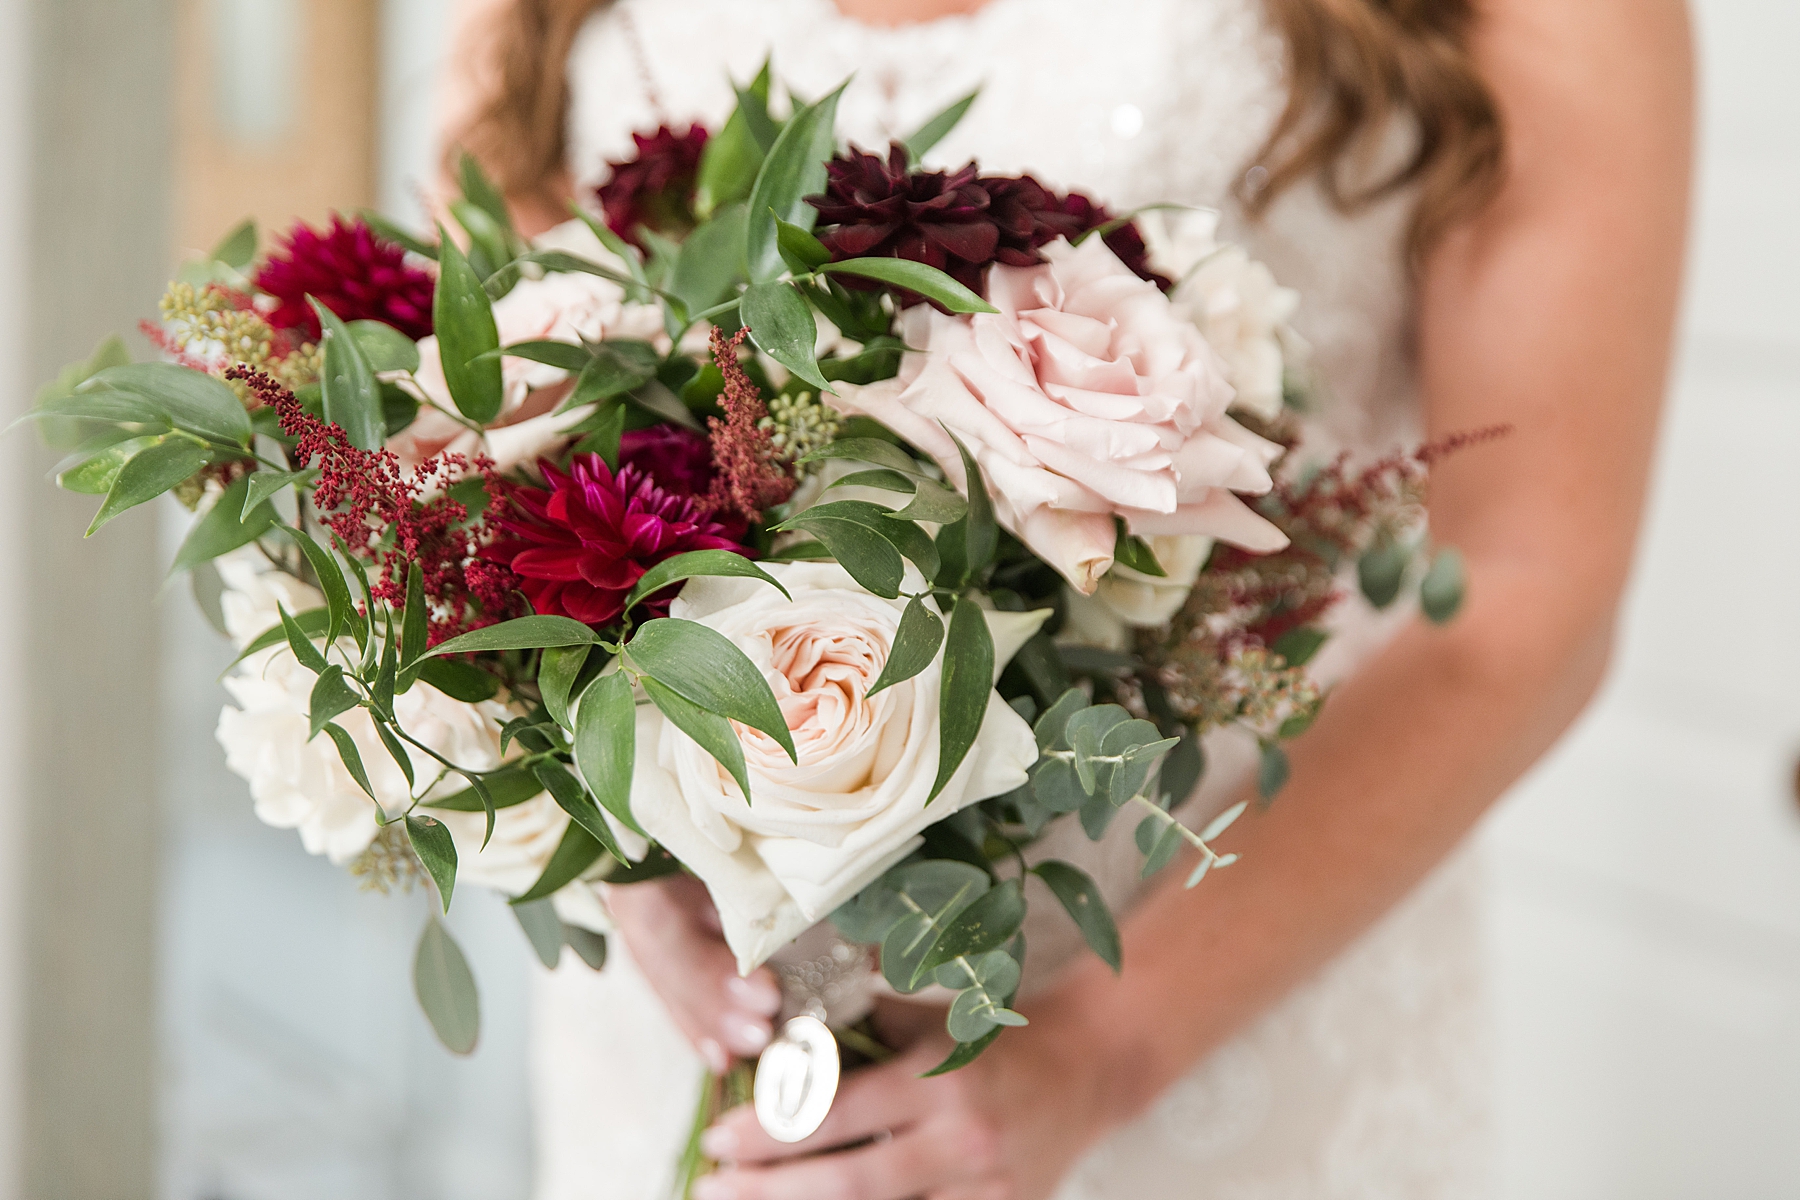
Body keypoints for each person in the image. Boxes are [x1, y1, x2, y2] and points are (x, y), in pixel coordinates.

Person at [439, 1, 1693, 1196]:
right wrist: (617, 855)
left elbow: (1529, 589)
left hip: (1216, 1016)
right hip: (698, 1029)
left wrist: (1103, 1048)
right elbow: (476, 451)